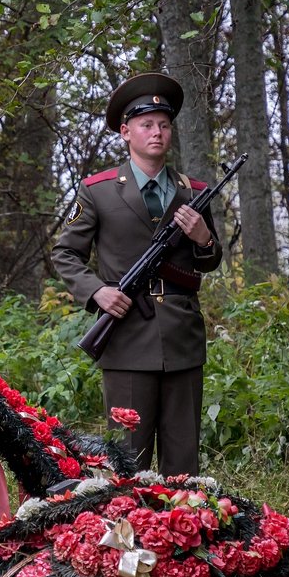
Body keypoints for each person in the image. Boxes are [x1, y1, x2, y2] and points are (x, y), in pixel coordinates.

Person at [52, 73, 222, 476]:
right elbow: (65, 253)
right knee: (127, 460)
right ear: (126, 132)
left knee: (183, 462)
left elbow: (210, 261)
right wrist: (97, 293)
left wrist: (203, 238)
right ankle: (127, 538)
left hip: (181, 337)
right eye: (147, 125)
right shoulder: (98, 191)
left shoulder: (194, 191)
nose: (157, 132)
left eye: (164, 124)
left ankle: (183, 533)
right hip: (126, 336)